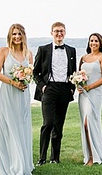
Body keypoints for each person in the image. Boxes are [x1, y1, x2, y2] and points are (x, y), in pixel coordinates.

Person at [0, 24, 35, 175]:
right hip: (9, 93)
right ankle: (10, 164)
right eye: (14, 34)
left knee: (21, 127)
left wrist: (25, 80)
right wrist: (13, 82)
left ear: (24, 35)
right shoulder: (3, 51)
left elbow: (31, 74)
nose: (17, 37)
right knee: (9, 127)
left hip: (23, 94)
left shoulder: (28, 54)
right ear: (10, 36)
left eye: (19, 34)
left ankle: (23, 163)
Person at [33, 22, 77, 165]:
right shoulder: (43, 49)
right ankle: (42, 157)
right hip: (49, 89)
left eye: (62, 31)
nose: (59, 34)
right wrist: (43, 87)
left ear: (65, 33)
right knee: (48, 123)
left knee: (59, 125)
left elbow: (73, 71)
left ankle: (55, 157)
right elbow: (35, 72)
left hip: (64, 89)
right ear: (51, 33)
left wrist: (72, 88)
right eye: (56, 31)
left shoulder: (71, 50)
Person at [77, 33, 102, 166]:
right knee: (84, 124)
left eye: (96, 41)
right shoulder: (84, 58)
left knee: (89, 122)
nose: (93, 43)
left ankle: (95, 156)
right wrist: (78, 86)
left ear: (100, 43)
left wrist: (90, 86)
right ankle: (89, 155)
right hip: (83, 95)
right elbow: (78, 75)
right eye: (91, 41)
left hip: (95, 94)